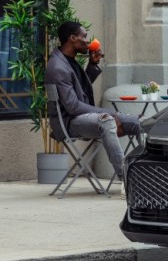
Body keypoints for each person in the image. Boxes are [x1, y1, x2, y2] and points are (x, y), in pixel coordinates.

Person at [46, 21, 141, 186]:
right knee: (106, 120)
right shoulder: (58, 67)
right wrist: (110, 113)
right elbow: (73, 106)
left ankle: (150, 175)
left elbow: (79, 91)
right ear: (73, 38)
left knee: (140, 122)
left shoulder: (69, 60)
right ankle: (128, 180)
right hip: (69, 122)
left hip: (81, 117)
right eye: (84, 37)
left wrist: (93, 65)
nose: (88, 41)